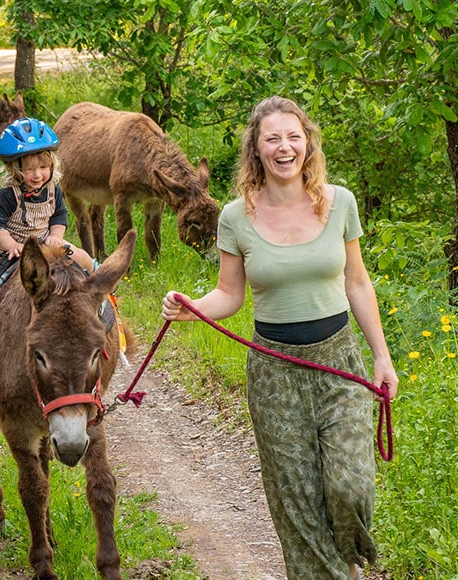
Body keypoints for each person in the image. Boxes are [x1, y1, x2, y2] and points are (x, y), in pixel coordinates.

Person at [161, 96, 399, 580]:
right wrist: (191, 308)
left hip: (340, 363)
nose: (284, 147)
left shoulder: (340, 202)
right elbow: (229, 294)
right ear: (256, 149)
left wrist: (382, 357)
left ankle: (346, 562)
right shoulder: (235, 217)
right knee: (299, 504)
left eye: (293, 136)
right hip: (275, 373)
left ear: (308, 142)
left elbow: (357, 281)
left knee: (349, 487)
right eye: (272, 138)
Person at [0, 117, 94, 349]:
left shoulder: (54, 190)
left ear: (52, 166)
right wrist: (10, 244)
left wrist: (56, 236)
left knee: (82, 257)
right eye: (30, 169)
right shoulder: (7, 195)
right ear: (16, 169)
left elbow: (59, 217)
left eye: (43, 167)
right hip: (8, 244)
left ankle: (100, 290)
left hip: (44, 242)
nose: (38, 175)